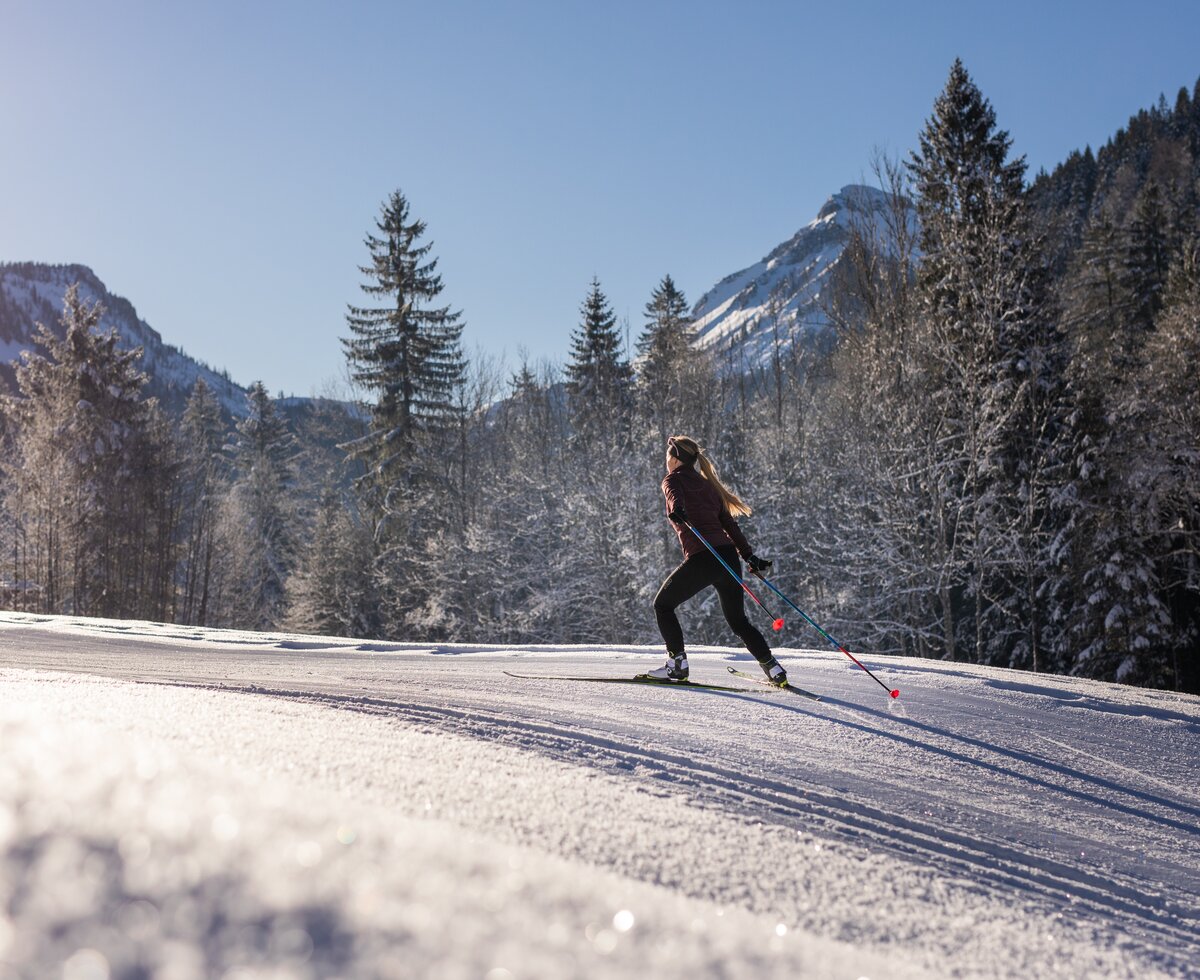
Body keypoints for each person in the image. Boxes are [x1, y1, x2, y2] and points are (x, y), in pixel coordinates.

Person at [648, 435, 788, 686]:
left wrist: (677, 508)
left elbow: (673, 495)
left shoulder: (672, 480)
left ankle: (677, 666)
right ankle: (774, 669)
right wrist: (749, 556)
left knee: (662, 605)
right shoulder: (707, 485)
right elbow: (729, 525)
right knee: (738, 621)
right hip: (727, 558)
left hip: (704, 558)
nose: (666, 462)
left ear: (675, 458)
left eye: (668, 456)